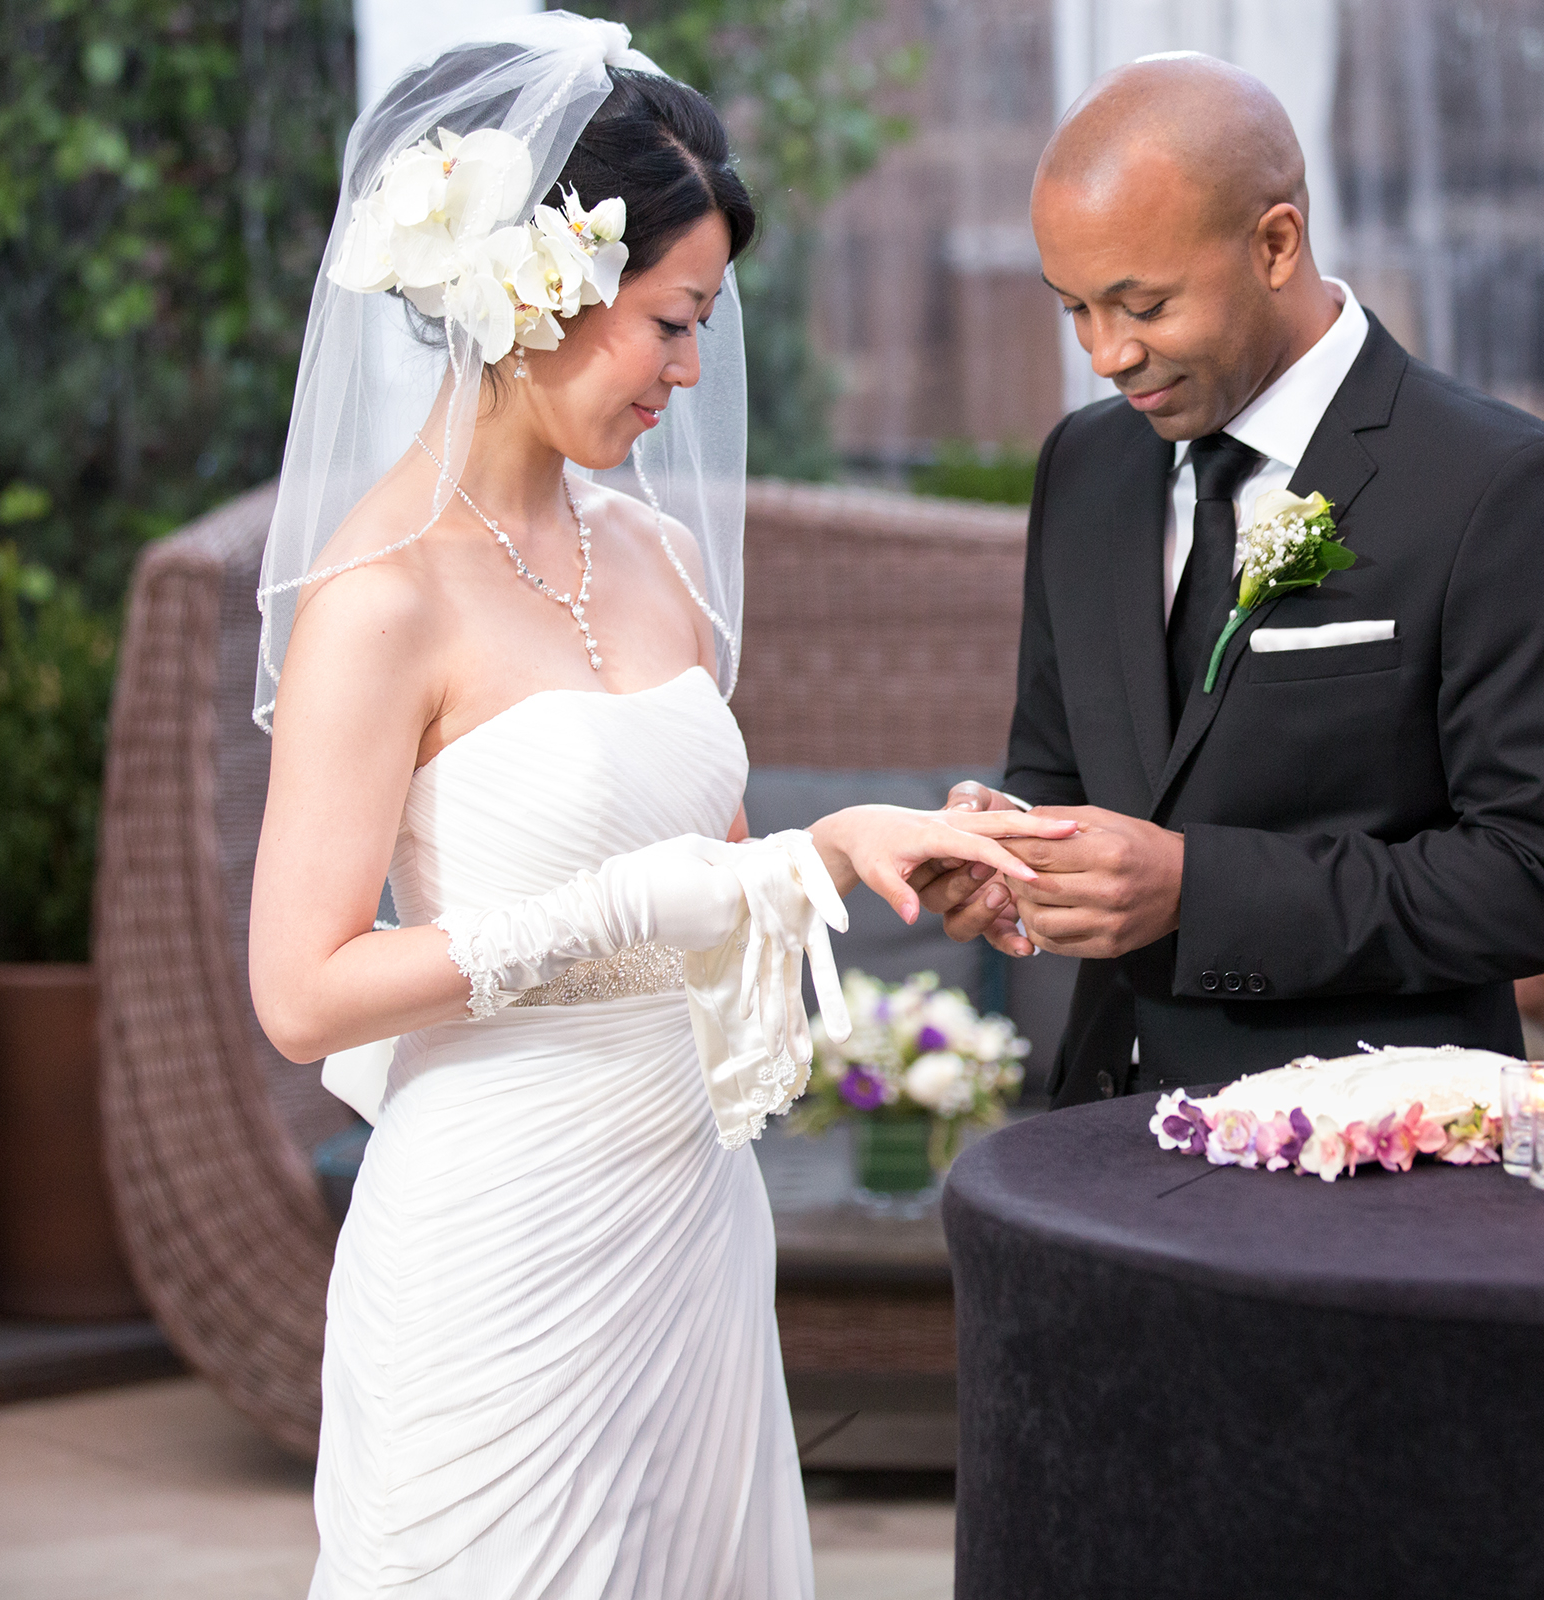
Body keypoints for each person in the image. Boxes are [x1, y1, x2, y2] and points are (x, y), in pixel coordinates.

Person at [245, 19, 1070, 1596]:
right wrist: (624, 909)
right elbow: (302, 992)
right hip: (494, 1240)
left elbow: (712, 882)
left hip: (688, 1220)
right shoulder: (378, 600)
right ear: (540, 290)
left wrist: (857, 849)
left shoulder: (658, 558)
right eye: (669, 321)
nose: (693, 371)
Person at [915, 54, 1544, 1103]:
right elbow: (1060, 766)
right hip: (1100, 1140)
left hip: (1379, 1163)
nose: (1106, 353)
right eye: (1073, 307)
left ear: (1276, 243)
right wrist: (1008, 843)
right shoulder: (1085, 466)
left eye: (1142, 303)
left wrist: (1194, 891)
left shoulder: (1504, 487)